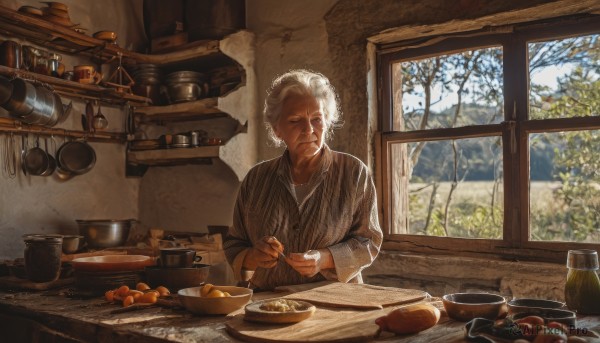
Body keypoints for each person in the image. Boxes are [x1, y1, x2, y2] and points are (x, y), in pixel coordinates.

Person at [223, 69, 383, 290]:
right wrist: (252, 257)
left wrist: (324, 258)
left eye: (317, 119)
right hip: (267, 306)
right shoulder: (256, 179)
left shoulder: (353, 172)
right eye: (295, 120)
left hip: (334, 304)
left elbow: (368, 242)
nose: (309, 130)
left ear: (327, 121)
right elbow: (234, 243)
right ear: (277, 129)